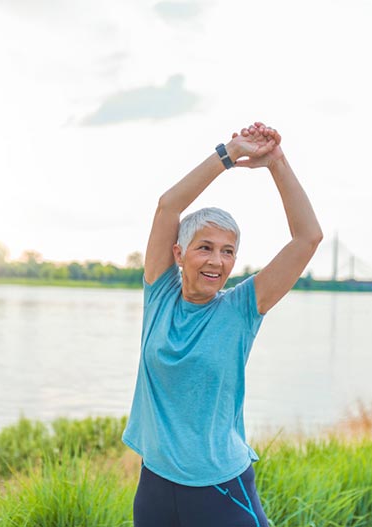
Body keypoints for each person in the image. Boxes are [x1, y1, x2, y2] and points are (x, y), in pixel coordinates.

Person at [122, 122, 323, 527]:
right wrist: (228, 154)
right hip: (155, 488)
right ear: (179, 253)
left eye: (228, 251)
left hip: (219, 490)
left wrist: (276, 163)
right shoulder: (159, 296)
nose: (217, 261)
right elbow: (167, 206)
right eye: (205, 248)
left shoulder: (242, 308)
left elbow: (307, 238)